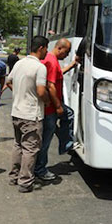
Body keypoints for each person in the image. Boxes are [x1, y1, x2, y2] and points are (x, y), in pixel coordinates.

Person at [5, 36, 50, 193]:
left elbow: (8, 81)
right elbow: (41, 91)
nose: (47, 52)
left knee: (18, 145)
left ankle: (14, 176)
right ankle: (25, 182)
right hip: (31, 115)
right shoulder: (40, 67)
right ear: (41, 48)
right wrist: (47, 101)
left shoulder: (19, 63)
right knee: (30, 149)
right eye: (46, 48)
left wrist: (18, 94)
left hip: (16, 112)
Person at [34, 38, 78, 181]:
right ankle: (40, 169)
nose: (67, 54)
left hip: (50, 107)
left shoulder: (50, 59)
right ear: (59, 48)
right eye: (67, 51)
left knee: (68, 114)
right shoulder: (52, 61)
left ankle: (65, 142)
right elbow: (51, 85)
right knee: (45, 141)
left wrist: (71, 65)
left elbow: (57, 75)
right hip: (51, 109)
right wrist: (58, 106)